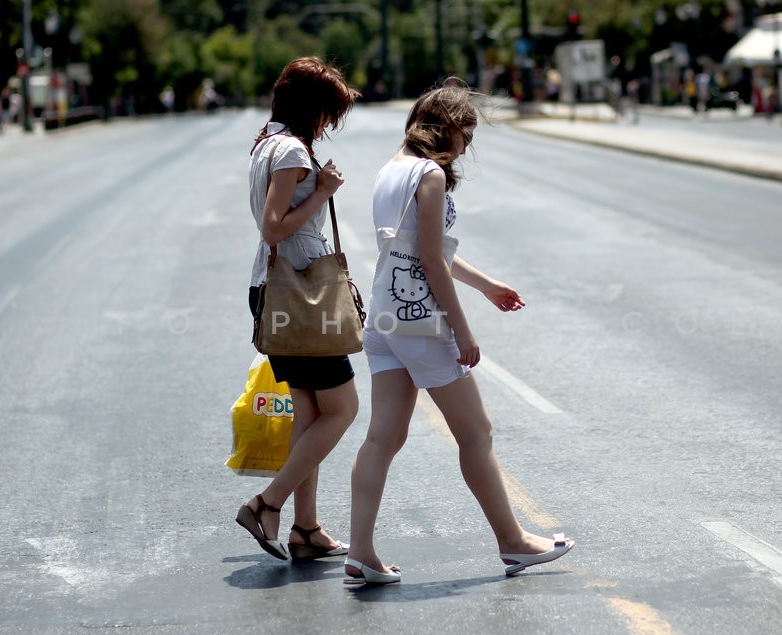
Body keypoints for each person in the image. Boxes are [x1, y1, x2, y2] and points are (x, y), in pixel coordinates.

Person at [344, 81, 575, 586]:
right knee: (476, 433)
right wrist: (463, 332)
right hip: (422, 323)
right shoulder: (429, 176)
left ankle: (360, 552)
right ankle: (513, 542)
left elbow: (419, 249)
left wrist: (488, 284)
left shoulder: (390, 170)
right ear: (446, 127)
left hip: (384, 317)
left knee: (382, 437)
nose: (467, 147)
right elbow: (430, 261)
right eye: (466, 134)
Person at [235, 57, 361, 562]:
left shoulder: (267, 140)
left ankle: (306, 530)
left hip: (275, 289)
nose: (330, 123)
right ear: (312, 108)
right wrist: (325, 192)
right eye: (329, 112)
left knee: (310, 413)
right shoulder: (290, 151)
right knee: (344, 408)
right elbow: (274, 226)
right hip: (301, 295)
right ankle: (265, 504)